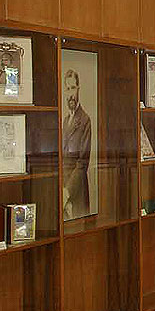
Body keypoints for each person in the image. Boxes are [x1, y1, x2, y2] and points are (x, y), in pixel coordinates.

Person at [63, 67, 93, 219]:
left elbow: (82, 162)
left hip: (77, 188)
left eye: (73, 88)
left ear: (78, 88)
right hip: (63, 187)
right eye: (67, 89)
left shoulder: (85, 120)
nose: (70, 94)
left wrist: (67, 191)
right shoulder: (65, 121)